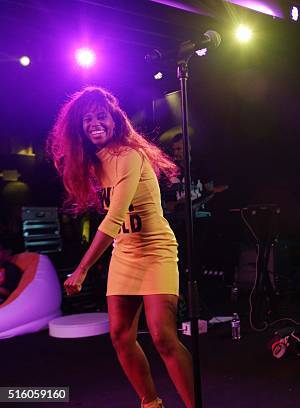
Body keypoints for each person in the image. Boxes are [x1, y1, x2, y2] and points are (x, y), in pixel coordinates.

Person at [47, 86, 195, 408]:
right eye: (88, 119)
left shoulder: (129, 155)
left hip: (155, 249)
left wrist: (82, 269)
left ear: (114, 120)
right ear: (80, 127)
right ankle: (151, 404)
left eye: (101, 116)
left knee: (162, 336)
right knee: (120, 335)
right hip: (125, 253)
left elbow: (115, 217)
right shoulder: (92, 164)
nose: (95, 123)